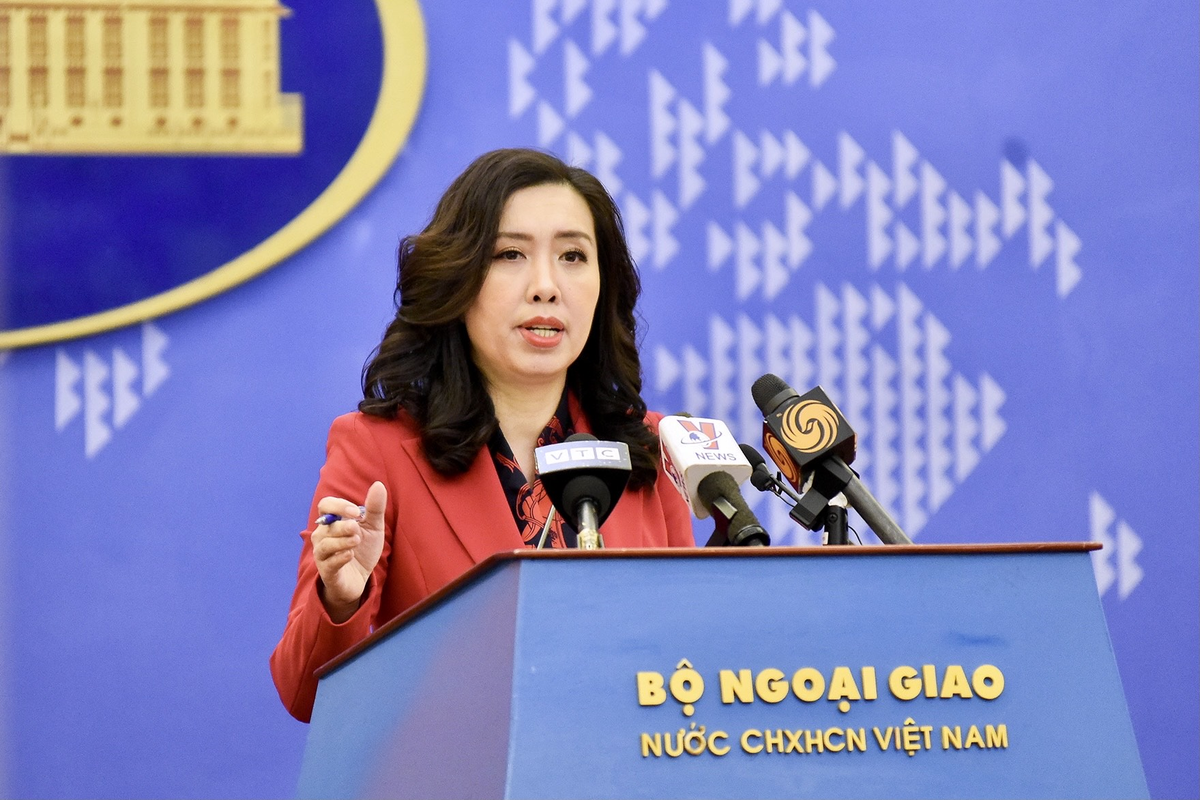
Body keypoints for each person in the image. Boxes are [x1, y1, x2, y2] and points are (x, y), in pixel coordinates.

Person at [270, 148, 696, 722]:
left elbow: (683, 665)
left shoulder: (649, 447)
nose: (546, 286)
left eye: (573, 256)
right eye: (510, 254)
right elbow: (304, 695)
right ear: (460, 277)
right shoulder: (378, 450)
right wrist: (342, 598)